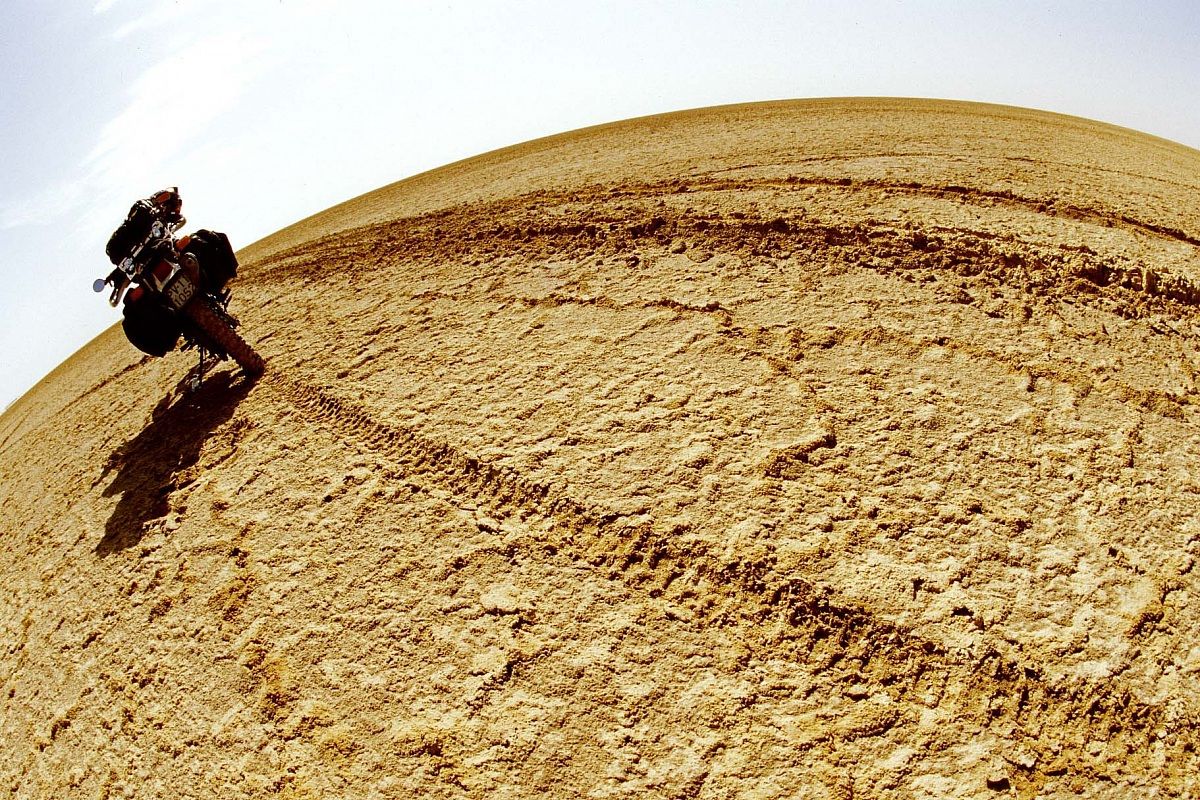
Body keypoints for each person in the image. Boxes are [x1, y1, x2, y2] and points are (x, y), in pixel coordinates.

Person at [105, 187, 185, 266]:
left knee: (170, 247)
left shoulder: (164, 228)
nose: (164, 208)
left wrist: (172, 233)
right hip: (123, 251)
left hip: (139, 257)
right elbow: (138, 210)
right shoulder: (143, 207)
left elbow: (178, 224)